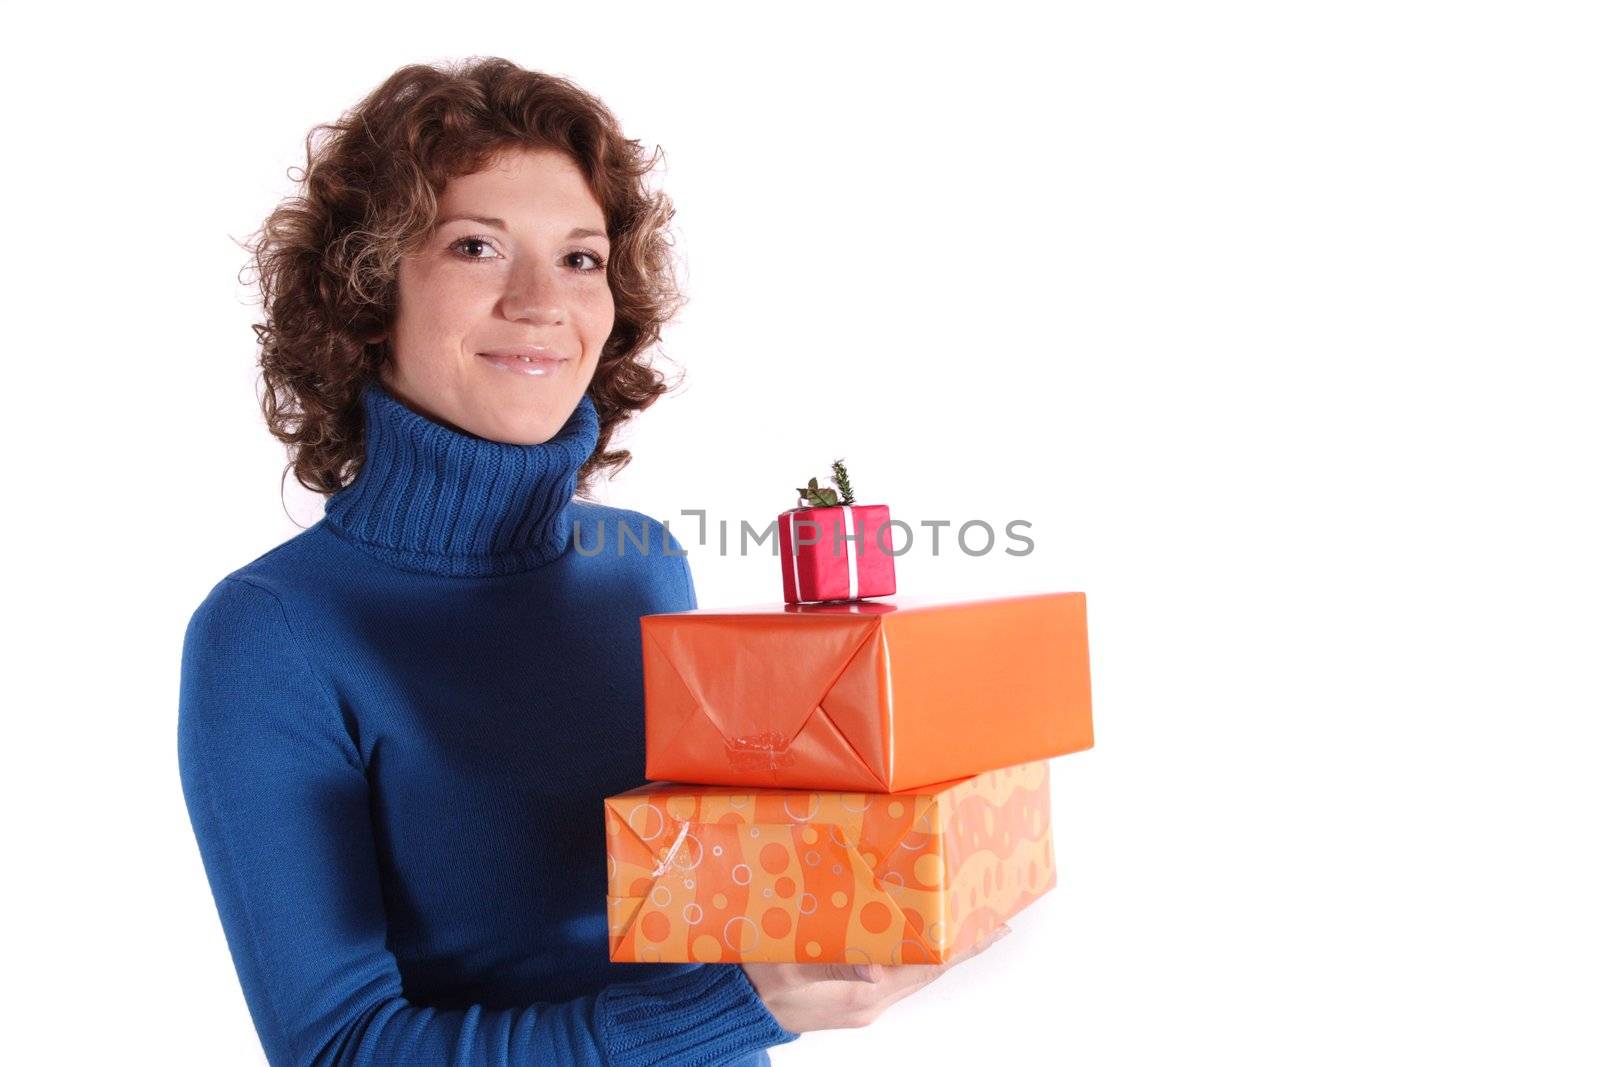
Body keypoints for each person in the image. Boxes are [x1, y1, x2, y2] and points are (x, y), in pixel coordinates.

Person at [177, 56, 1008, 1067]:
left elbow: (703, 905)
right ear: (367, 290)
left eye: (580, 258)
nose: (541, 301)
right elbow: (341, 1049)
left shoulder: (642, 563)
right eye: (476, 245)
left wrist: (891, 874)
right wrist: (744, 1008)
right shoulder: (274, 630)